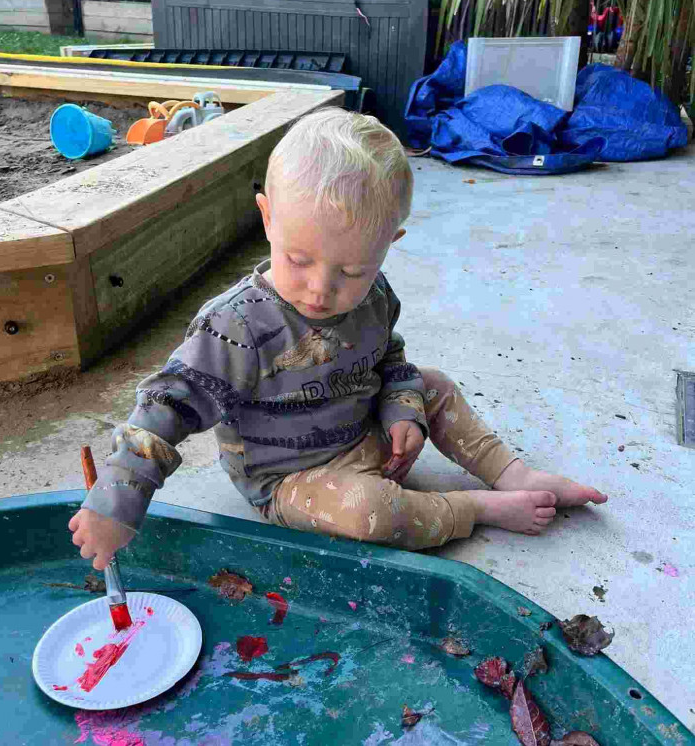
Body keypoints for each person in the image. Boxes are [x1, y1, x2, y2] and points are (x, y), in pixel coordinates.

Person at [69, 108, 607, 570]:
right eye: (298, 261)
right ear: (267, 219)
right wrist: (117, 501)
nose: (321, 290)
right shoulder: (238, 325)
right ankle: (475, 508)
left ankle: (512, 473)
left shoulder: (374, 295)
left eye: (351, 269)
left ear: (388, 245)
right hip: (293, 480)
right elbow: (166, 407)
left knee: (433, 384)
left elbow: (391, 360)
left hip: (368, 435)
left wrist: (402, 409)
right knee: (368, 513)